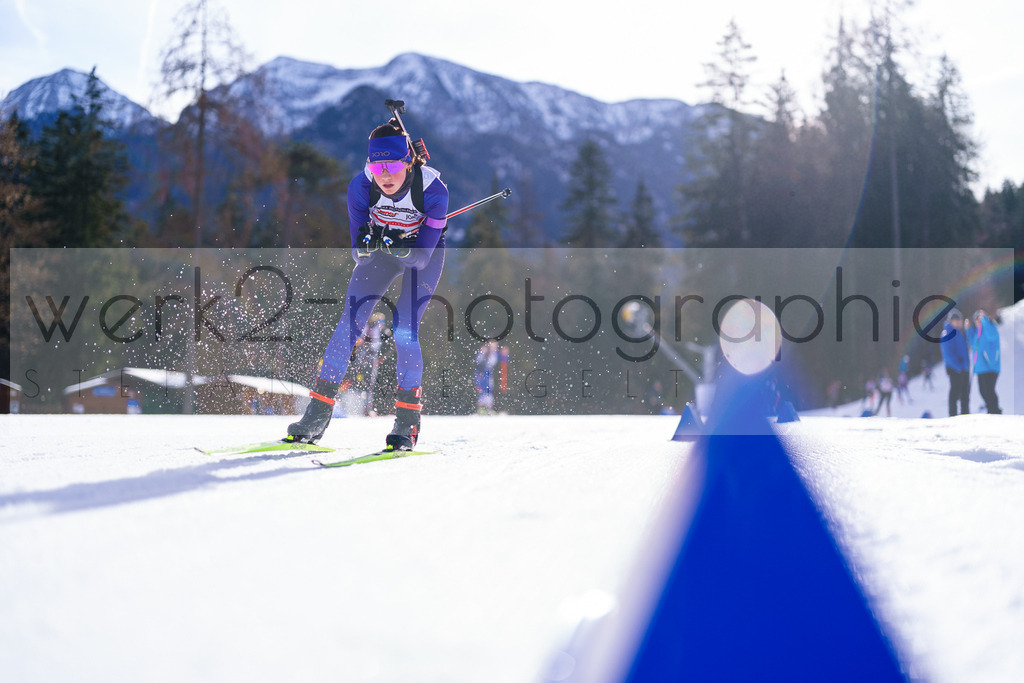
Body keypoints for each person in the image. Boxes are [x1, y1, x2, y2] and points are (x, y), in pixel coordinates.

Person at [287, 117, 449, 449]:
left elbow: (420, 259)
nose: (385, 175)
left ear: (407, 161)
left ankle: (407, 422)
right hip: (382, 255)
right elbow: (358, 254)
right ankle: (317, 414)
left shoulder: (433, 191)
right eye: (377, 167)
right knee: (349, 323)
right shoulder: (361, 186)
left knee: (404, 329)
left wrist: (399, 244)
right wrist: (368, 243)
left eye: (391, 165)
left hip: (422, 255)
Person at [939, 308, 970, 416]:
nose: (959, 322)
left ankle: (965, 414)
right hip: (955, 368)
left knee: (965, 393)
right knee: (955, 392)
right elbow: (948, 354)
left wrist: (965, 366)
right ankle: (953, 415)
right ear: (951, 321)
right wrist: (958, 367)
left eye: (960, 320)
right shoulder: (947, 333)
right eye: (956, 320)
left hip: (964, 368)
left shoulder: (959, 333)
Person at [971, 309, 1002, 414]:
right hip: (981, 367)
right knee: (983, 391)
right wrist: (968, 331)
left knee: (989, 390)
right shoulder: (978, 333)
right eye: (976, 319)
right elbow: (974, 345)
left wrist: (984, 320)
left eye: (980, 318)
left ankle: (995, 411)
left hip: (991, 365)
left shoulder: (991, 327)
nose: (978, 321)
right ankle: (991, 409)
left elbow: (991, 336)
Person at [474, 340, 500, 414]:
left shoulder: (494, 354)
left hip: (487, 372)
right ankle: (481, 408)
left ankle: (488, 408)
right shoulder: (483, 352)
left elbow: (494, 362)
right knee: (482, 390)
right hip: (481, 372)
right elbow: (478, 362)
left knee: (488, 390)